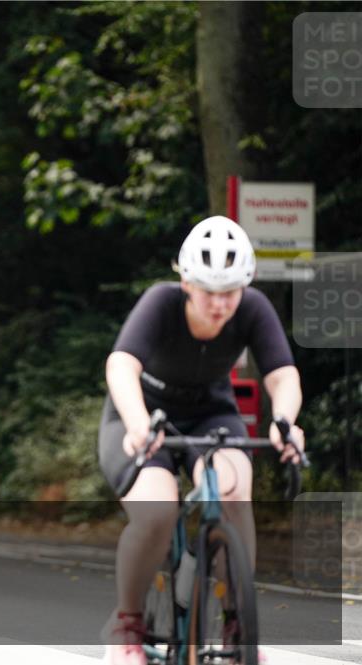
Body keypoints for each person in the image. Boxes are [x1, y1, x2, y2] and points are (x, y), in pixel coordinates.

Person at [98, 216, 305, 665]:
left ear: (244, 286)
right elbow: (120, 365)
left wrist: (284, 421)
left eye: (229, 292)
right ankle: (127, 623)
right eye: (209, 291)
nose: (219, 304)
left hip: (211, 414)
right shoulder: (160, 302)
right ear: (186, 282)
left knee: (233, 491)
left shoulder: (253, 308)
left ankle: (237, 624)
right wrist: (137, 423)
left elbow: (282, 375)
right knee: (157, 510)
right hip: (141, 415)